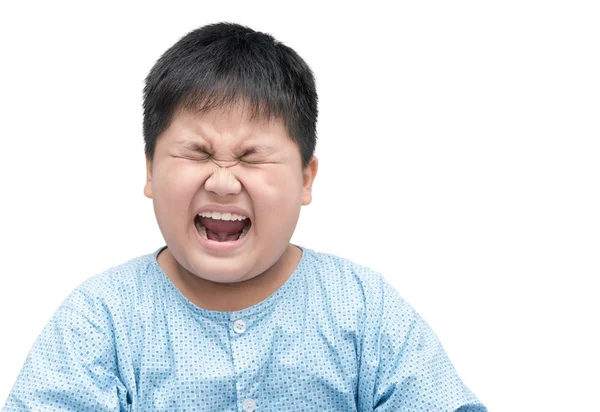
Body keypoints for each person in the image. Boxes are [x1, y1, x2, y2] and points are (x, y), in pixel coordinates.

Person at [2, 22, 486, 411]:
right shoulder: (101, 319)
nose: (222, 181)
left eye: (252, 158)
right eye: (196, 152)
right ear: (150, 169)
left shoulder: (363, 309)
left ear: (305, 179)